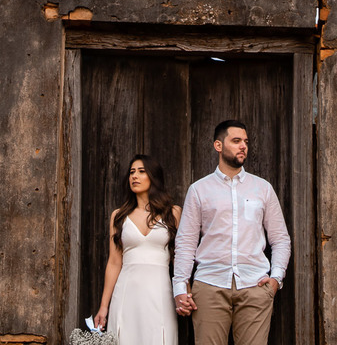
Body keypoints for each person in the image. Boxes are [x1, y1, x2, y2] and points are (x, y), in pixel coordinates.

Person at [173, 120, 291, 345]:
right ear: (218, 145)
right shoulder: (199, 190)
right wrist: (180, 286)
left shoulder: (262, 188)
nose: (243, 146)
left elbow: (280, 239)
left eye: (245, 142)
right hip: (209, 286)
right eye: (236, 141)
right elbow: (186, 241)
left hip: (255, 287)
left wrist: (276, 279)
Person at [94, 154, 181, 344]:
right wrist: (103, 307)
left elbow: (179, 258)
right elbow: (115, 262)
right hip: (126, 292)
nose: (135, 176)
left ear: (153, 177)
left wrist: (185, 292)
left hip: (159, 291)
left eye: (141, 172)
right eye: (132, 172)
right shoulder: (119, 216)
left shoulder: (172, 212)